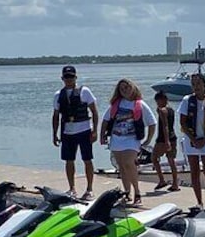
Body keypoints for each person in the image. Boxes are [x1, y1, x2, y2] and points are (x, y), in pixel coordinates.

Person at [100, 78, 156, 206]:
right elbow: (106, 120)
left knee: (129, 163)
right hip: (116, 139)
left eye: (127, 87)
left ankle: (137, 192)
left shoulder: (140, 104)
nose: (125, 90)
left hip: (132, 140)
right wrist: (102, 135)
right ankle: (126, 193)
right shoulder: (116, 104)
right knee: (122, 167)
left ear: (133, 88)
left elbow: (152, 123)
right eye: (122, 88)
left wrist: (148, 139)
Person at [52, 65, 99, 199]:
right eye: (66, 77)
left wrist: (95, 131)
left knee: (87, 159)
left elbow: (95, 112)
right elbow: (56, 116)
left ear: (75, 77)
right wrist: (54, 134)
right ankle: (72, 188)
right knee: (69, 160)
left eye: (71, 77)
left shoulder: (85, 92)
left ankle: (89, 189)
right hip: (67, 132)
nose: (69, 79)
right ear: (62, 78)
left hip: (84, 130)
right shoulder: (58, 95)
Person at [179, 72, 205, 210]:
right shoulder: (186, 100)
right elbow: (183, 123)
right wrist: (193, 139)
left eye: (198, 83)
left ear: (204, 85)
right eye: (193, 84)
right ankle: (199, 201)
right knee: (194, 170)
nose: (196, 87)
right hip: (191, 139)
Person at [151, 91, 180, 192]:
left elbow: (165, 126)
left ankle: (162, 180)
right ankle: (175, 183)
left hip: (163, 139)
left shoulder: (162, 110)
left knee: (154, 158)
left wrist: (166, 141)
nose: (157, 104)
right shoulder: (171, 109)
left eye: (158, 101)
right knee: (171, 161)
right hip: (173, 137)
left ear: (162, 100)